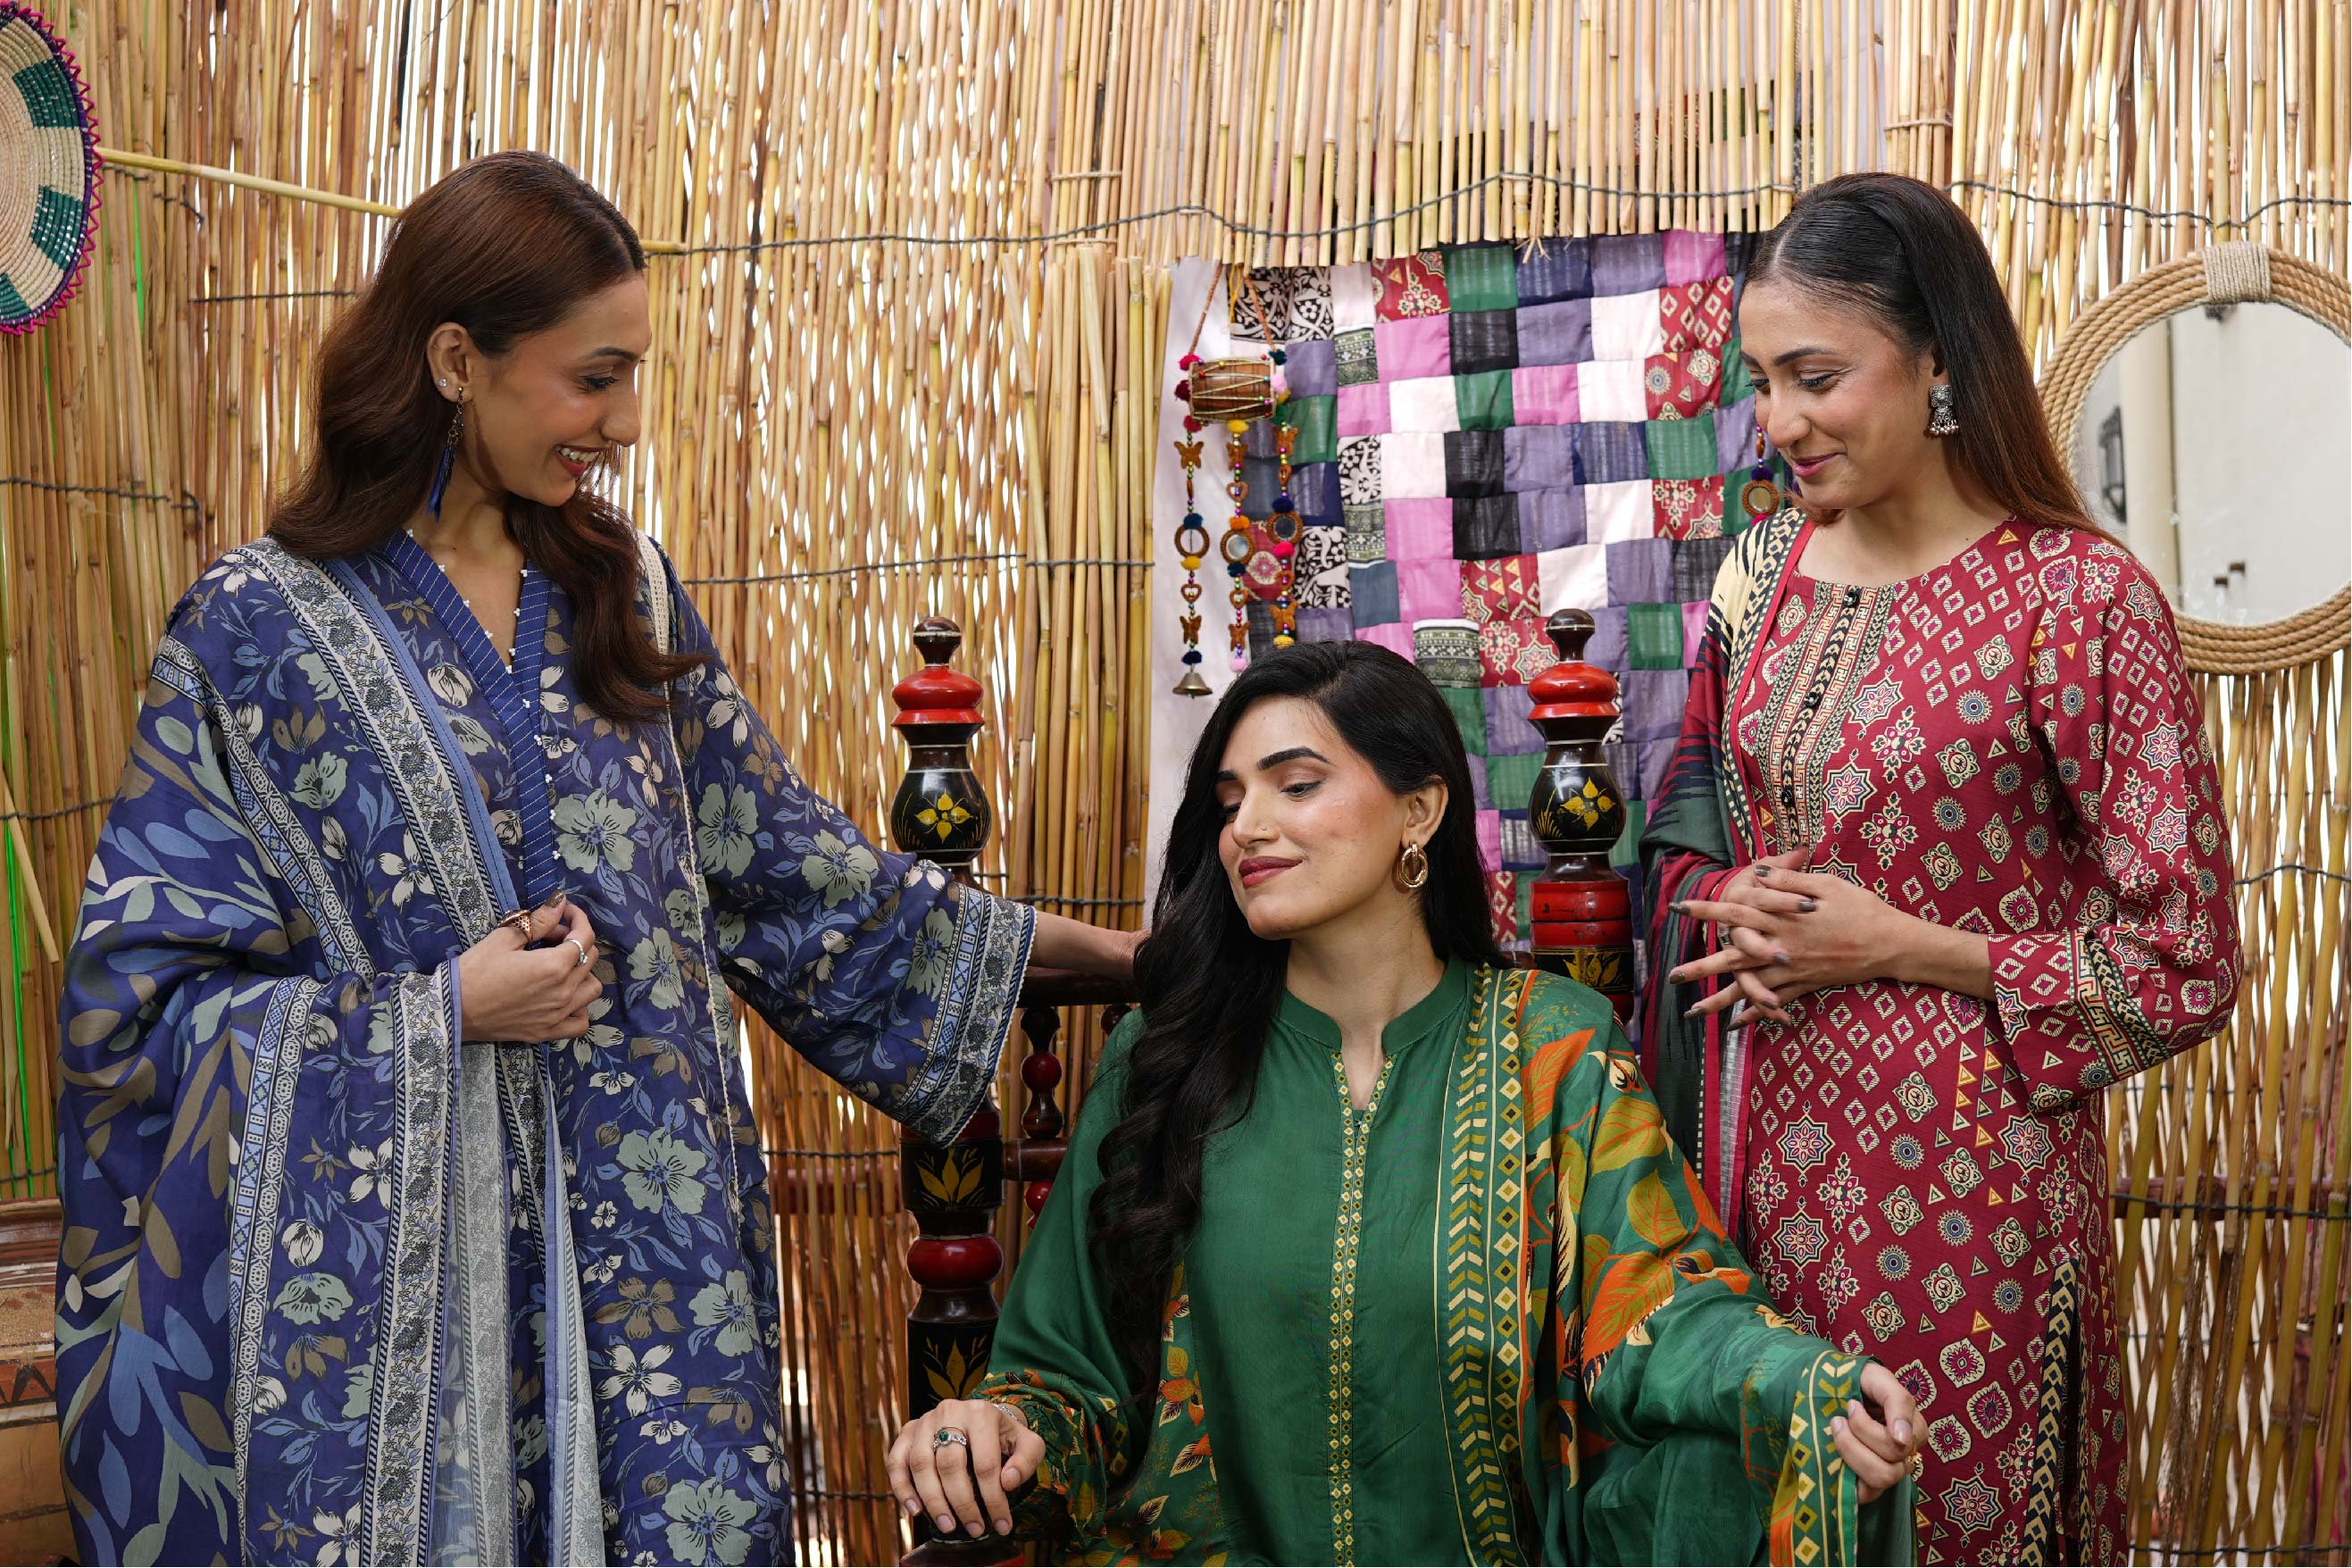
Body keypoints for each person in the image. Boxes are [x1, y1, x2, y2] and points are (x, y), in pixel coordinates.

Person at [53, 151, 1133, 1567]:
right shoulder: (252, 635)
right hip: (402, 1339)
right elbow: (140, 1014)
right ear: (457, 360)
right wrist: (441, 1012)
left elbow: (793, 879)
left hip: (661, 1290)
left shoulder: (623, 593)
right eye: (593, 378)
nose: (624, 423)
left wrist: (1120, 956)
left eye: (633, 378)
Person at [886, 640, 1922, 1566]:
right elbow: (1064, 1376)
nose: (1248, 826)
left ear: (1419, 811)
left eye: (1297, 785)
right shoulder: (1165, 1059)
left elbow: (1664, 1307)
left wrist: (1801, 1389)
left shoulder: (1552, 1047)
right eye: (1231, 798)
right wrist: (994, 1429)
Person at [1639, 173, 2239, 1564]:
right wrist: (1723, 904)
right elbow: (1685, 834)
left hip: (1975, 1212)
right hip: (1747, 1185)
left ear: (1937, 365)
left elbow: (2185, 959)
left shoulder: (2077, 603)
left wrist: (1901, 947)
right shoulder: (1761, 574)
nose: (1779, 420)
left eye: (1816, 378)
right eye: (1761, 382)